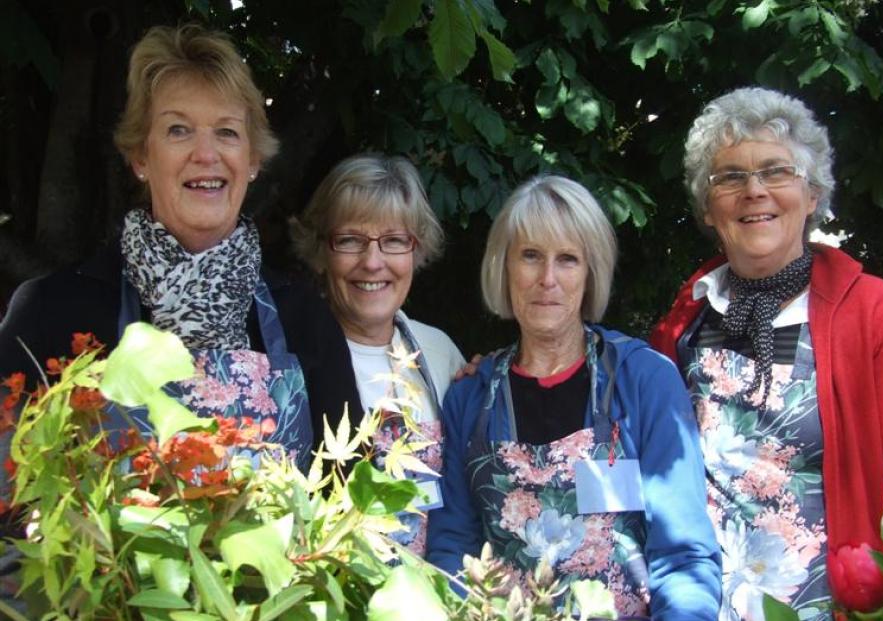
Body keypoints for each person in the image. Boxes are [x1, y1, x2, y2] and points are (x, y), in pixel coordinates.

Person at [0, 24, 361, 473]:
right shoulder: (52, 310)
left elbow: (347, 499)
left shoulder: (303, 317)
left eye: (227, 132)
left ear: (252, 161)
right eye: (178, 130)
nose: (206, 153)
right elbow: (11, 500)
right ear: (141, 158)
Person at [650, 86, 883, 620]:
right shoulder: (685, 319)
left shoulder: (877, 316)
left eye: (776, 171)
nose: (754, 191)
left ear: (812, 196)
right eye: (731, 177)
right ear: (707, 207)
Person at [426, 175, 721, 619]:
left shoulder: (644, 381)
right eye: (530, 256)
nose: (548, 279)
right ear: (503, 267)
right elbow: (452, 547)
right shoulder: (471, 397)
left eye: (568, 259)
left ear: (590, 273)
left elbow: (683, 555)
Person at [291, 154, 465, 554]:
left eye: (394, 241)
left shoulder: (439, 351)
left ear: (415, 251)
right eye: (350, 240)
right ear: (322, 251)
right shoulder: (293, 356)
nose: (373, 262)